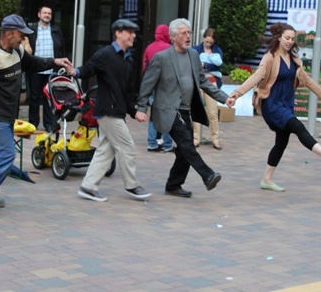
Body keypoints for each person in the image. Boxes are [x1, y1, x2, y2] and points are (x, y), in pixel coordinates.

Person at [0, 14, 71, 217]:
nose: (24, 39)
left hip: (5, 116)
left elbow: (34, 63)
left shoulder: (17, 51)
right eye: (21, 35)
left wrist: (55, 61)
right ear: (9, 33)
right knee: (5, 156)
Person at [225, 22, 321, 192]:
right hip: (271, 103)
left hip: (286, 103)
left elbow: (308, 81)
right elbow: (256, 77)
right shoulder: (270, 57)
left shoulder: (294, 60)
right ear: (279, 38)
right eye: (287, 38)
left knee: (282, 142)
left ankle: (267, 179)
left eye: (292, 39)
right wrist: (236, 94)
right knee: (297, 125)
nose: (289, 41)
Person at [136, 18, 229, 198]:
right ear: (172, 37)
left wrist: (224, 98)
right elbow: (147, 84)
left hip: (186, 110)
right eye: (184, 33)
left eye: (189, 33)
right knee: (187, 143)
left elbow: (202, 81)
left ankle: (173, 185)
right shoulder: (162, 58)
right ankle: (207, 174)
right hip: (167, 110)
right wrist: (141, 108)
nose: (188, 36)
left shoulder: (193, 55)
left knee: (183, 151)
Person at [67, 19, 151, 202]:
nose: (134, 36)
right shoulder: (105, 54)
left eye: (135, 32)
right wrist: (74, 72)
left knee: (106, 150)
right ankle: (132, 185)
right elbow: (87, 69)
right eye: (130, 31)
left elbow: (127, 93)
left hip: (117, 111)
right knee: (127, 146)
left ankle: (88, 187)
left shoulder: (128, 60)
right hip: (108, 111)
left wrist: (134, 111)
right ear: (118, 33)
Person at [26, 6, 66, 132]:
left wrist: (62, 65)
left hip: (51, 71)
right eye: (45, 13)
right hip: (35, 69)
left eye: (49, 13)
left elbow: (61, 49)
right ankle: (33, 123)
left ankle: (48, 124)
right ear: (39, 14)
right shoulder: (31, 30)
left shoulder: (56, 31)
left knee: (49, 98)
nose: (47, 15)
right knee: (34, 98)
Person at [142, 24, 174, 152]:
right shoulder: (169, 48)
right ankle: (167, 144)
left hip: (152, 85)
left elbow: (144, 67)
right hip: (166, 86)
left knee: (154, 114)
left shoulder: (149, 48)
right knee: (167, 115)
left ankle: (151, 142)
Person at [192, 28, 224, 150]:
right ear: (203, 39)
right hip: (199, 81)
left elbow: (219, 64)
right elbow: (195, 64)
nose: (208, 44)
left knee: (213, 112)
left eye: (210, 42)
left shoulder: (217, 50)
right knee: (196, 110)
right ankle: (196, 139)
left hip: (212, 82)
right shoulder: (196, 49)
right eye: (206, 41)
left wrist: (205, 64)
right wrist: (209, 64)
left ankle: (215, 139)